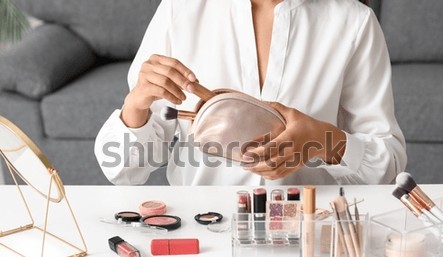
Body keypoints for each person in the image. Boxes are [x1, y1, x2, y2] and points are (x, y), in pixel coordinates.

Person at [94, 0, 407, 186]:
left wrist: (320, 139)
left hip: (307, 231)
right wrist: (136, 105)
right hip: (200, 230)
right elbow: (123, 170)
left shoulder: (353, 22)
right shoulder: (181, 9)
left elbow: (388, 162)